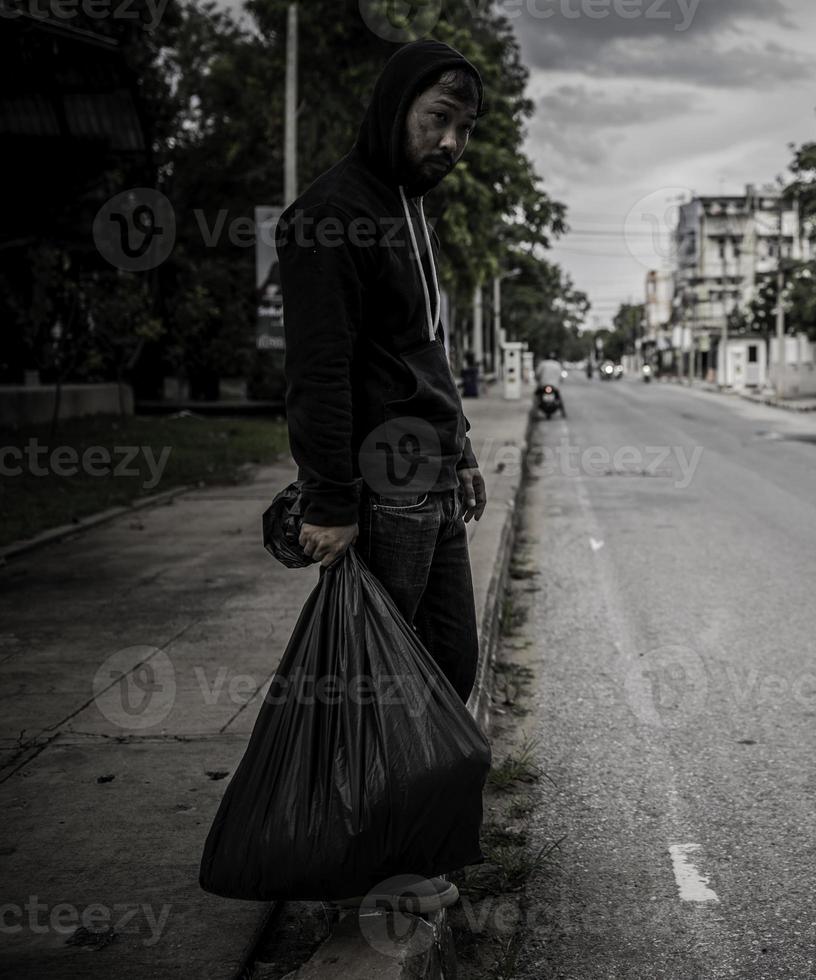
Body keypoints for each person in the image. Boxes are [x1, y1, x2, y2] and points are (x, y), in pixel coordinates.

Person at [277, 40, 488, 913]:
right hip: (381, 486)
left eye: (464, 130)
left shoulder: (407, 209)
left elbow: (421, 350)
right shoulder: (330, 215)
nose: (450, 144)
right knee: (385, 689)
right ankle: (374, 869)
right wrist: (329, 499)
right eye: (437, 121)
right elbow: (319, 371)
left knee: (448, 663)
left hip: (429, 478)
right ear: (393, 109)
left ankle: (402, 847)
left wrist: (463, 445)